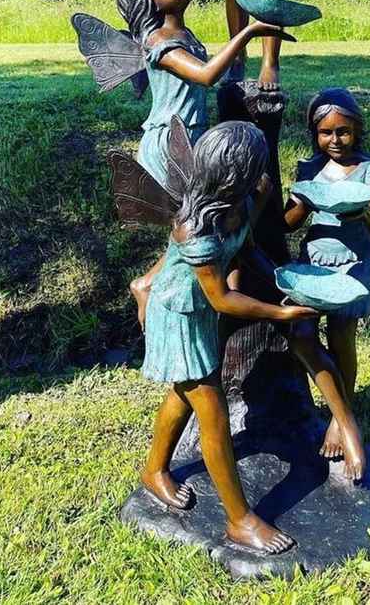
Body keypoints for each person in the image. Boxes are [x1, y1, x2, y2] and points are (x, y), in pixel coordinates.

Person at [140, 121, 319, 553]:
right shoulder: (194, 227)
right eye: (256, 166)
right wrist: (279, 310)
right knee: (212, 413)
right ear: (233, 171)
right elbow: (221, 297)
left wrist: (281, 279)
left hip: (199, 311)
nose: (264, 175)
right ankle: (240, 520)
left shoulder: (244, 199)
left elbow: (245, 249)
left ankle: (154, 470)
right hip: (180, 316)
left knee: (182, 395)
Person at [116, 0, 290, 323]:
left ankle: (224, 284)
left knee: (213, 214)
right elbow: (206, 75)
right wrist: (249, 31)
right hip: (170, 143)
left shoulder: (184, 34)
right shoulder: (157, 42)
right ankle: (149, 284)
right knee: (193, 223)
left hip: (193, 137)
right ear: (147, 2)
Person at [283, 88, 370, 461]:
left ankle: (340, 416)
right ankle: (327, 402)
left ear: (357, 130)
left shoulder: (368, 170)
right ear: (314, 133)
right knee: (302, 333)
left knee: (342, 337)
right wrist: (298, 199)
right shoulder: (309, 168)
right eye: (326, 133)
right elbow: (289, 223)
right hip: (315, 261)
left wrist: (363, 213)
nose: (335, 140)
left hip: (352, 262)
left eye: (343, 132)